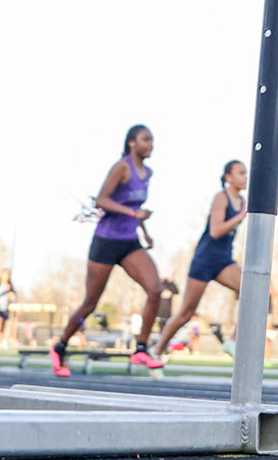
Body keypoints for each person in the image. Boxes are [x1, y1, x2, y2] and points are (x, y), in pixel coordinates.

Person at [49, 125, 164, 376]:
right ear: (132, 143)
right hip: (106, 240)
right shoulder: (122, 167)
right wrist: (133, 213)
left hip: (129, 241)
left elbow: (137, 205)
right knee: (90, 303)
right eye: (146, 140)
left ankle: (141, 349)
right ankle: (60, 347)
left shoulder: (148, 173)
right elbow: (102, 200)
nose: (151, 145)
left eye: (152, 141)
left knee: (156, 289)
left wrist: (144, 230)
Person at [153, 159, 246, 356]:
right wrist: (241, 216)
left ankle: (233, 341)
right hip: (205, 259)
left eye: (246, 173)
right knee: (186, 313)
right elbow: (215, 231)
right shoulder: (221, 198)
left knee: (251, 289)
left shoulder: (243, 202)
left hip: (224, 261)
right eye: (241, 173)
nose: (246, 177)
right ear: (228, 177)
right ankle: (157, 351)